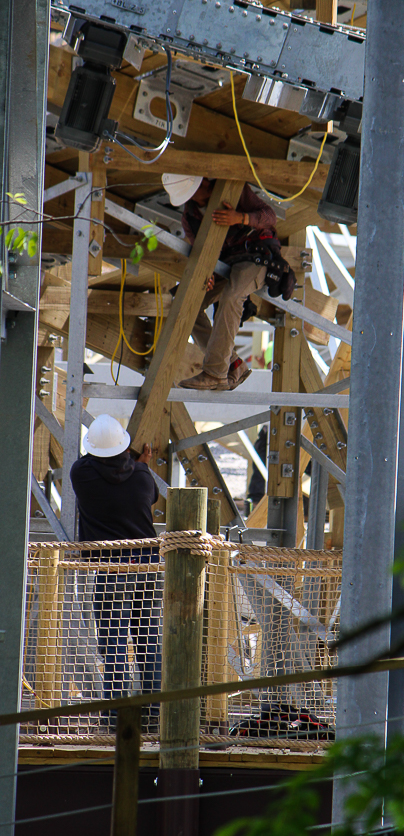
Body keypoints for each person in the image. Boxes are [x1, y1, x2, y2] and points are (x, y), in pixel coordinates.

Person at [70, 414, 161, 731]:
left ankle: (116, 716)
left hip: (110, 569)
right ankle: (152, 714)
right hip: (148, 567)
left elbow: (89, 460)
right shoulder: (143, 478)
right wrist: (143, 463)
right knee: (148, 641)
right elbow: (151, 497)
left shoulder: (81, 476)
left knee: (114, 643)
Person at [162, 174, 279, 391]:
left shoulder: (233, 189)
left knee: (233, 296)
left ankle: (215, 373)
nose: (196, 197)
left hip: (255, 256)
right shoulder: (190, 217)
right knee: (187, 302)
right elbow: (201, 252)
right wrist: (206, 275)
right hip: (226, 264)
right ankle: (233, 364)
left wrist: (241, 218)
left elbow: (270, 217)